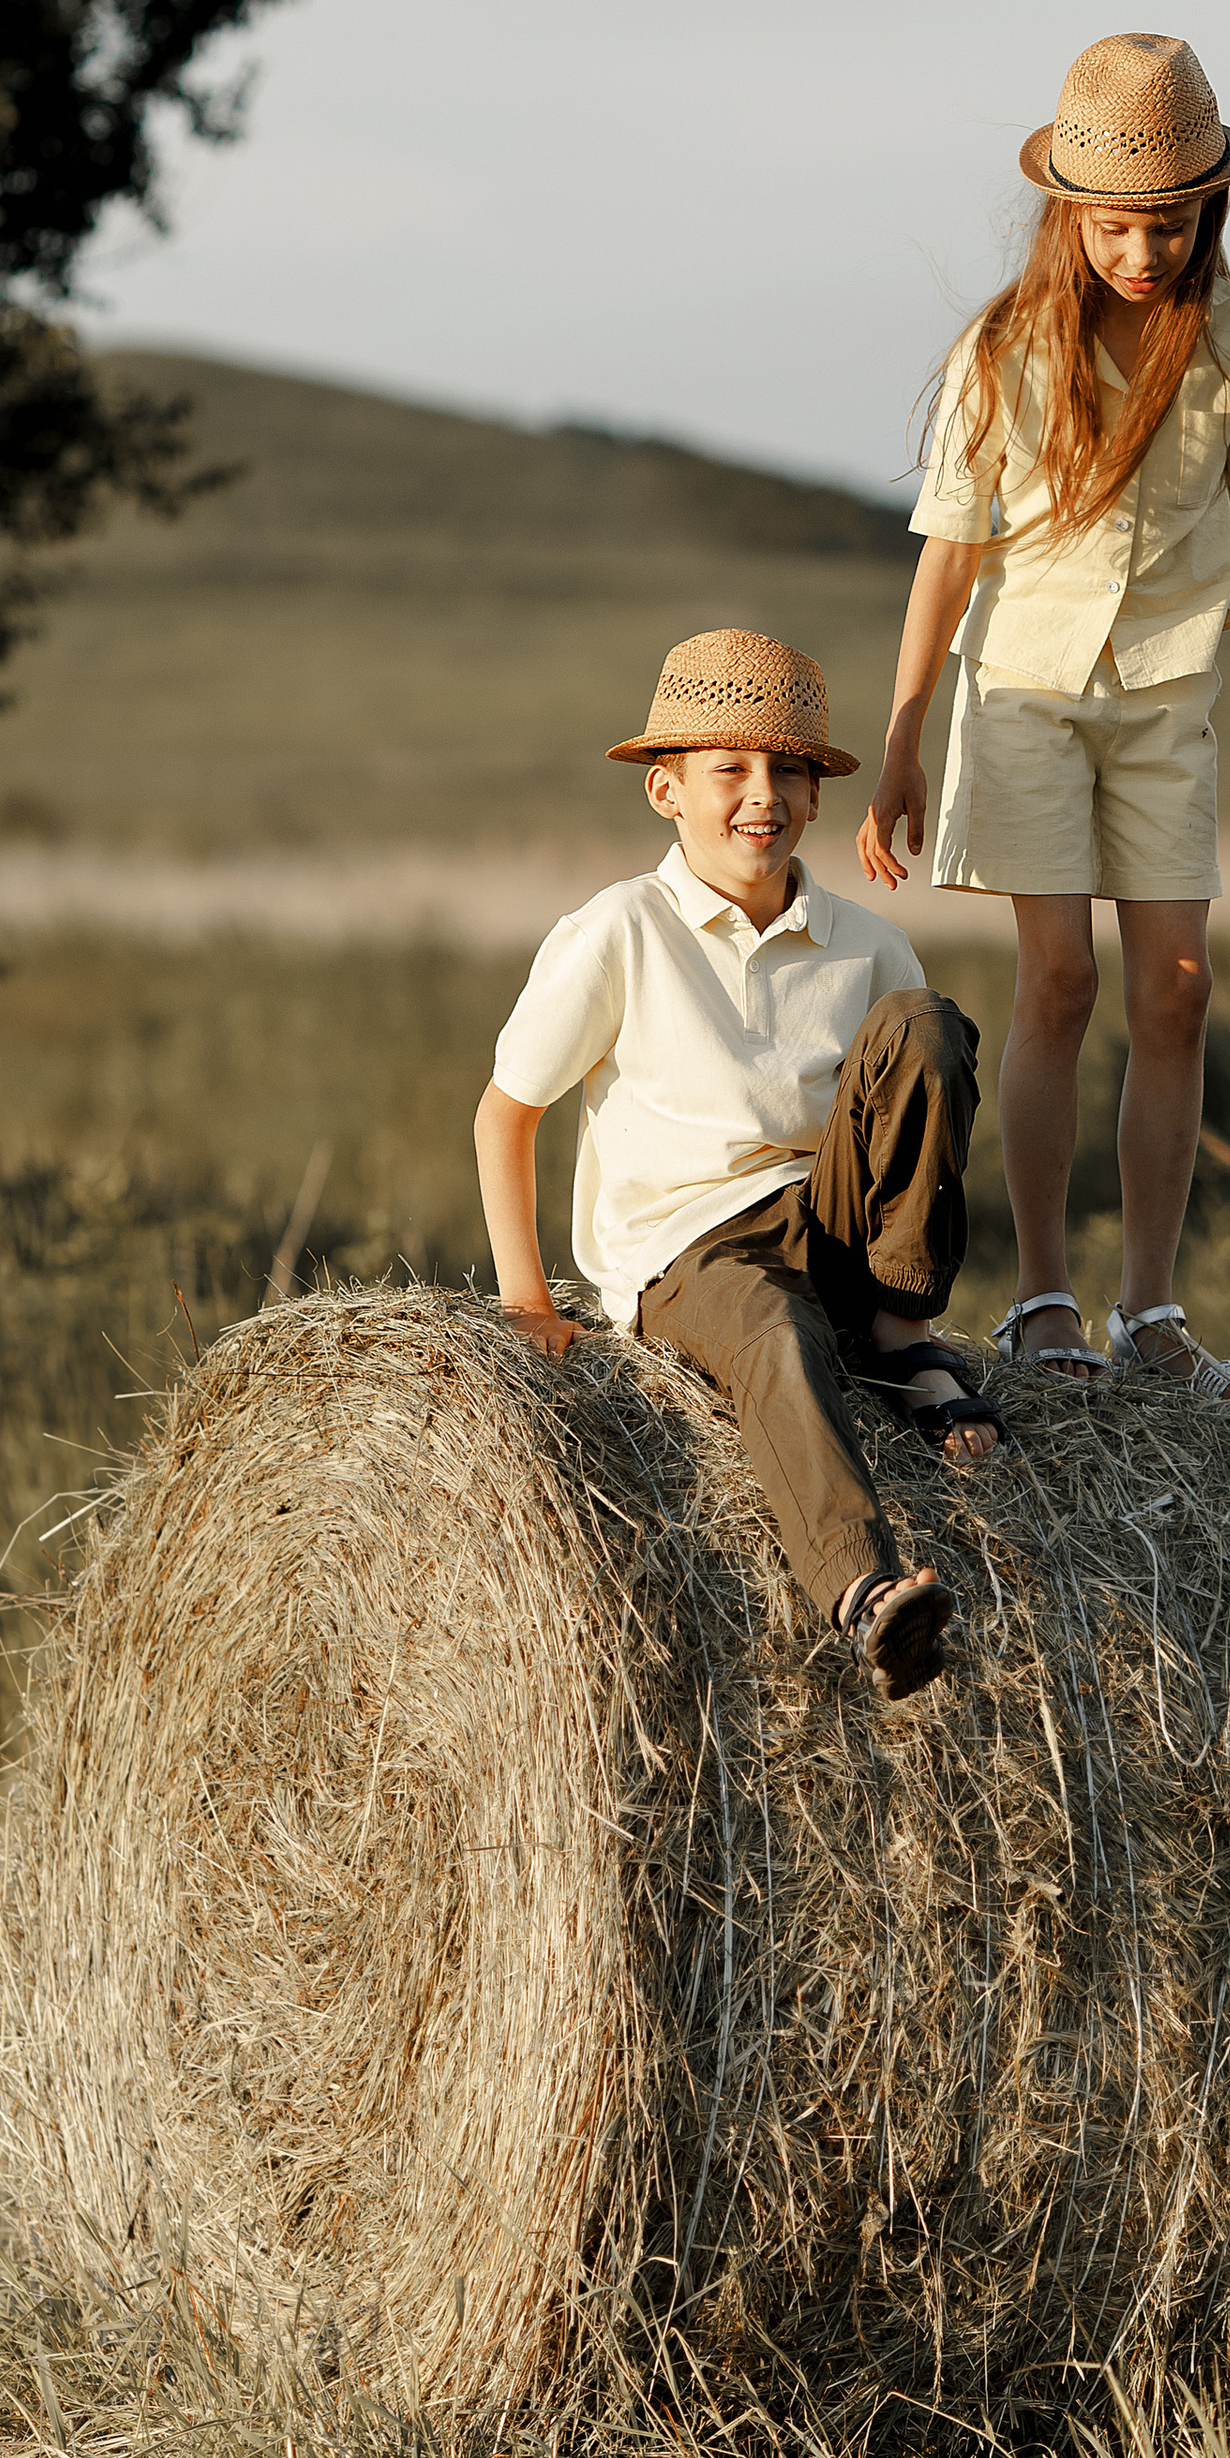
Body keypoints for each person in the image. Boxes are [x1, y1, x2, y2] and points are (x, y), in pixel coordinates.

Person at [856, 31, 1230, 1395]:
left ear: (1205, 211)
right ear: (1069, 211)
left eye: (1170, 223)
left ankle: (1152, 1317)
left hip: (1171, 698)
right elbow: (949, 550)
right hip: (1027, 699)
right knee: (1057, 984)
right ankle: (1043, 1300)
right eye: (1116, 225)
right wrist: (902, 739)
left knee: (1179, 991)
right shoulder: (1000, 351)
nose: (1145, 251)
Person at [475, 628, 1000, 1701]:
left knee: (927, 1025)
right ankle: (868, 1595)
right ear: (667, 791)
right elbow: (504, 1112)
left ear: (813, 798)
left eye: (787, 772)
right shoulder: (620, 928)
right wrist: (526, 1301)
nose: (761, 795)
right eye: (731, 771)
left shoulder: (863, 941)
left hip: (835, 1221)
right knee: (771, 1332)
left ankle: (898, 1335)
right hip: (693, 1246)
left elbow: (911, 1117)